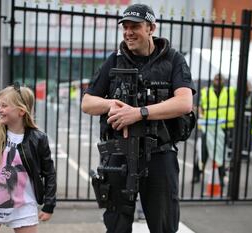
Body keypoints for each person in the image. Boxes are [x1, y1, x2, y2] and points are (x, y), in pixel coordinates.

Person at [81, 3, 195, 233]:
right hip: (119, 153)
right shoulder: (115, 60)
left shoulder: (173, 59)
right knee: (116, 225)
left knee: (164, 225)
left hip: (159, 155)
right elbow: (87, 103)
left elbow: (184, 103)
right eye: (125, 27)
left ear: (151, 28)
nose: (128, 32)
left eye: (135, 26)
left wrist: (139, 113)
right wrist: (110, 103)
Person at [0, 84, 56, 233]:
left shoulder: (38, 139)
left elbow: (49, 173)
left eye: (4, 106)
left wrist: (49, 204)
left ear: (21, 111)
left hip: (24, 208)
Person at [193, 74, 236, 184]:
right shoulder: (206, 92)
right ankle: (197, 175)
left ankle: (221, 177)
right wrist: (201, 115)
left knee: (220, 153)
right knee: (203, 153)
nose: (218, 81)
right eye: (216, 79)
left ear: (224, 81)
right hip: (208, 128)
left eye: (220, 79)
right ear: (213, 80)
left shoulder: (230, 91)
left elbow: (244, 92)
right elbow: (201, 107)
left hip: (223, 128)